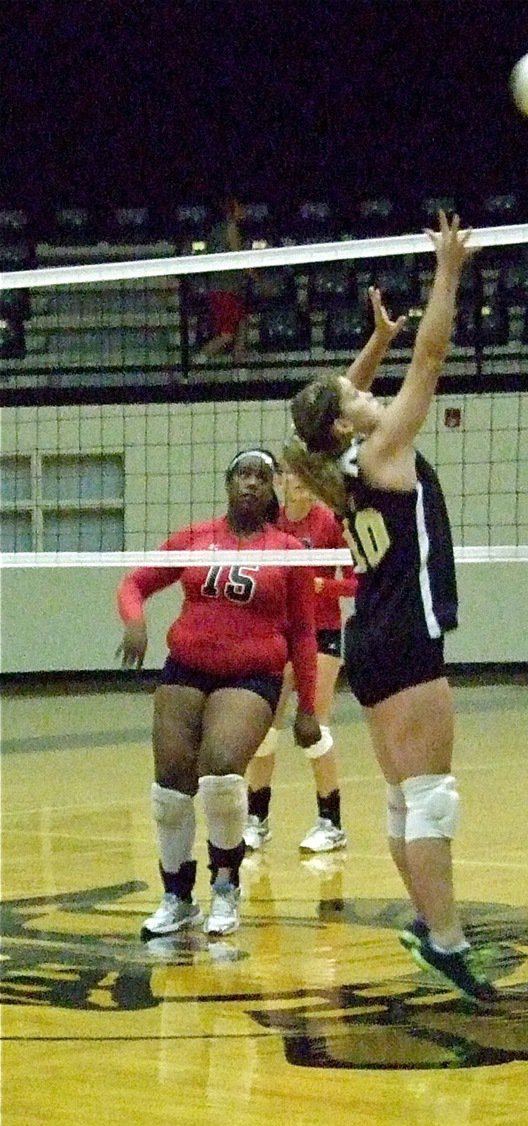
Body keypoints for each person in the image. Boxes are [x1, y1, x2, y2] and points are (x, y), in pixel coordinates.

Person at [284, 213, 498, 1003]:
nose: (365, 389)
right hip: (407, 636)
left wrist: (373, 341)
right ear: (346, 421)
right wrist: (448, 270)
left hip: (373, 636)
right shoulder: (381, 450)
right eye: (355, 393)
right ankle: (445, 938)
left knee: (409, 795)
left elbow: (339, 396)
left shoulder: (342, 458)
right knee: (430, 796)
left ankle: (428, 922)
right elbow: (433, 357)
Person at [117, 448, 321, 939]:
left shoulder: (288, 551)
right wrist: (135, 620)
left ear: (271, 487)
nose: (251, 483)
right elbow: (134, 583)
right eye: (242, 474)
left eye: (260, 476)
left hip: (251, 674)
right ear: (228, 483)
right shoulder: (195, 538)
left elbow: (304, 634)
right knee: (170, 782)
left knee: (222, 767)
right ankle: (177, 896)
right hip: (186, 666)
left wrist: (309, 707)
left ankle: (226, 887)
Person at [243, 462, 358, 855]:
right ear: (282, 480)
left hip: (321, 633)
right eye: (295, 475)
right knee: (265, 728)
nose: (303, 484)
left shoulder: (329, 522)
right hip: (279, 634)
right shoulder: (270, 525)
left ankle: (331, 822)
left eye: (310, 477)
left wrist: (322, 585)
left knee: (313, 728)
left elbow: (361, 580)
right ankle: (257, 821)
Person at [194, 196, 249, 365]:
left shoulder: (216, 230)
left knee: (243, 324)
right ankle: (196, 364)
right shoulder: (230, 228)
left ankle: (239, 368)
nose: (245, 211)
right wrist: (256, 277)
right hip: (225, 289)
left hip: (231, 289)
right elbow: (239, 258)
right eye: (241, 207)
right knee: (227, 335)